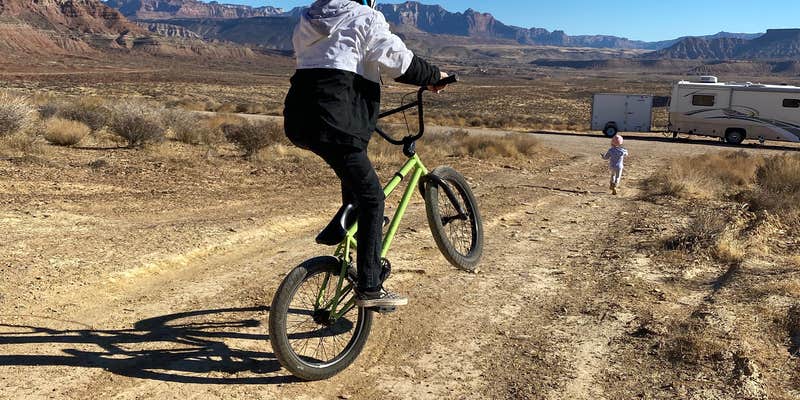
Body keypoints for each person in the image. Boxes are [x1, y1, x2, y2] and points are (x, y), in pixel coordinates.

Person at [283, 0, 448, 308]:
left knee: (355, 175)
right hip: (336, 122)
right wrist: (433, 75)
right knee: (373, 198)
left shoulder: (307, 17)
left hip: (300, 120)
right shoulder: (365, 17)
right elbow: (400, 62)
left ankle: (345, 221)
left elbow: (346, 57)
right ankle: (370, 286)